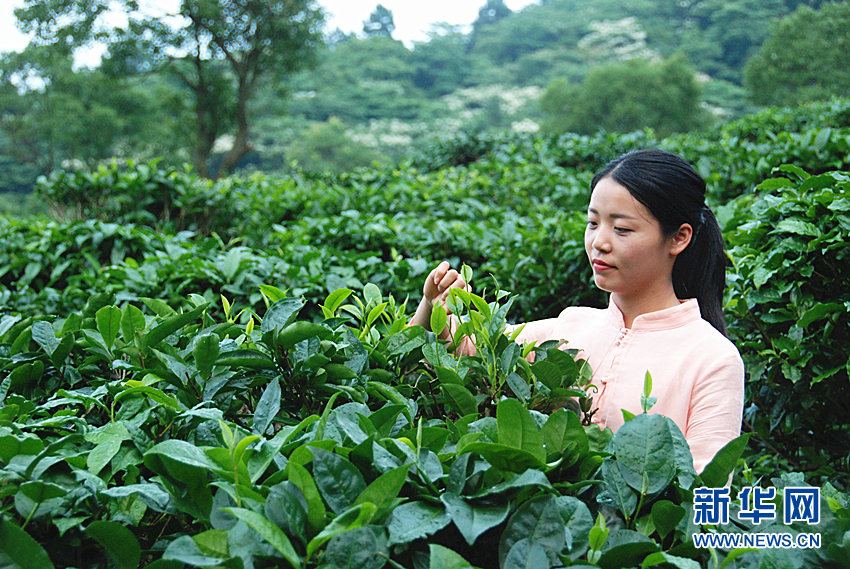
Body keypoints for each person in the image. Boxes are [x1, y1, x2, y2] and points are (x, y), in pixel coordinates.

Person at [410, 149, 744, 473]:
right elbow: (464, 348)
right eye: (593, 223)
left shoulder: (712, 358)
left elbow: (705, 489)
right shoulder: (571, 326)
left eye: (622, 229)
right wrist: (431, 303)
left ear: (678, 238)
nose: (599, 241)